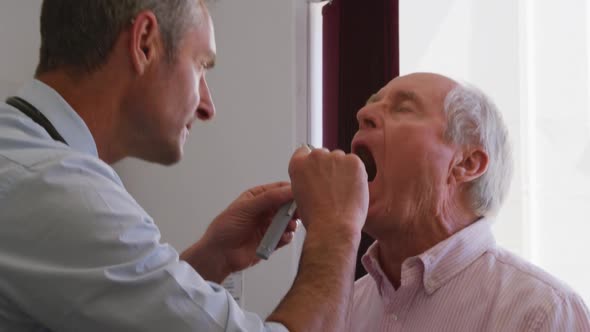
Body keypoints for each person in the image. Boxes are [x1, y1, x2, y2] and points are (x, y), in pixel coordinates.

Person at [0, 1, 369, 331]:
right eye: (201, 66)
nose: (208, 106)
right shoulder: (58, 189)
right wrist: (336, 231)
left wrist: (214, 257)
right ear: (145, 42)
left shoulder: (27, 162)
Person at [348, 72, 590, 331]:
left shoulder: (543, 313)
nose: (364, 114)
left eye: (403, 108)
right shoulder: (344, 307)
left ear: (466, 164)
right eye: (371, 103)